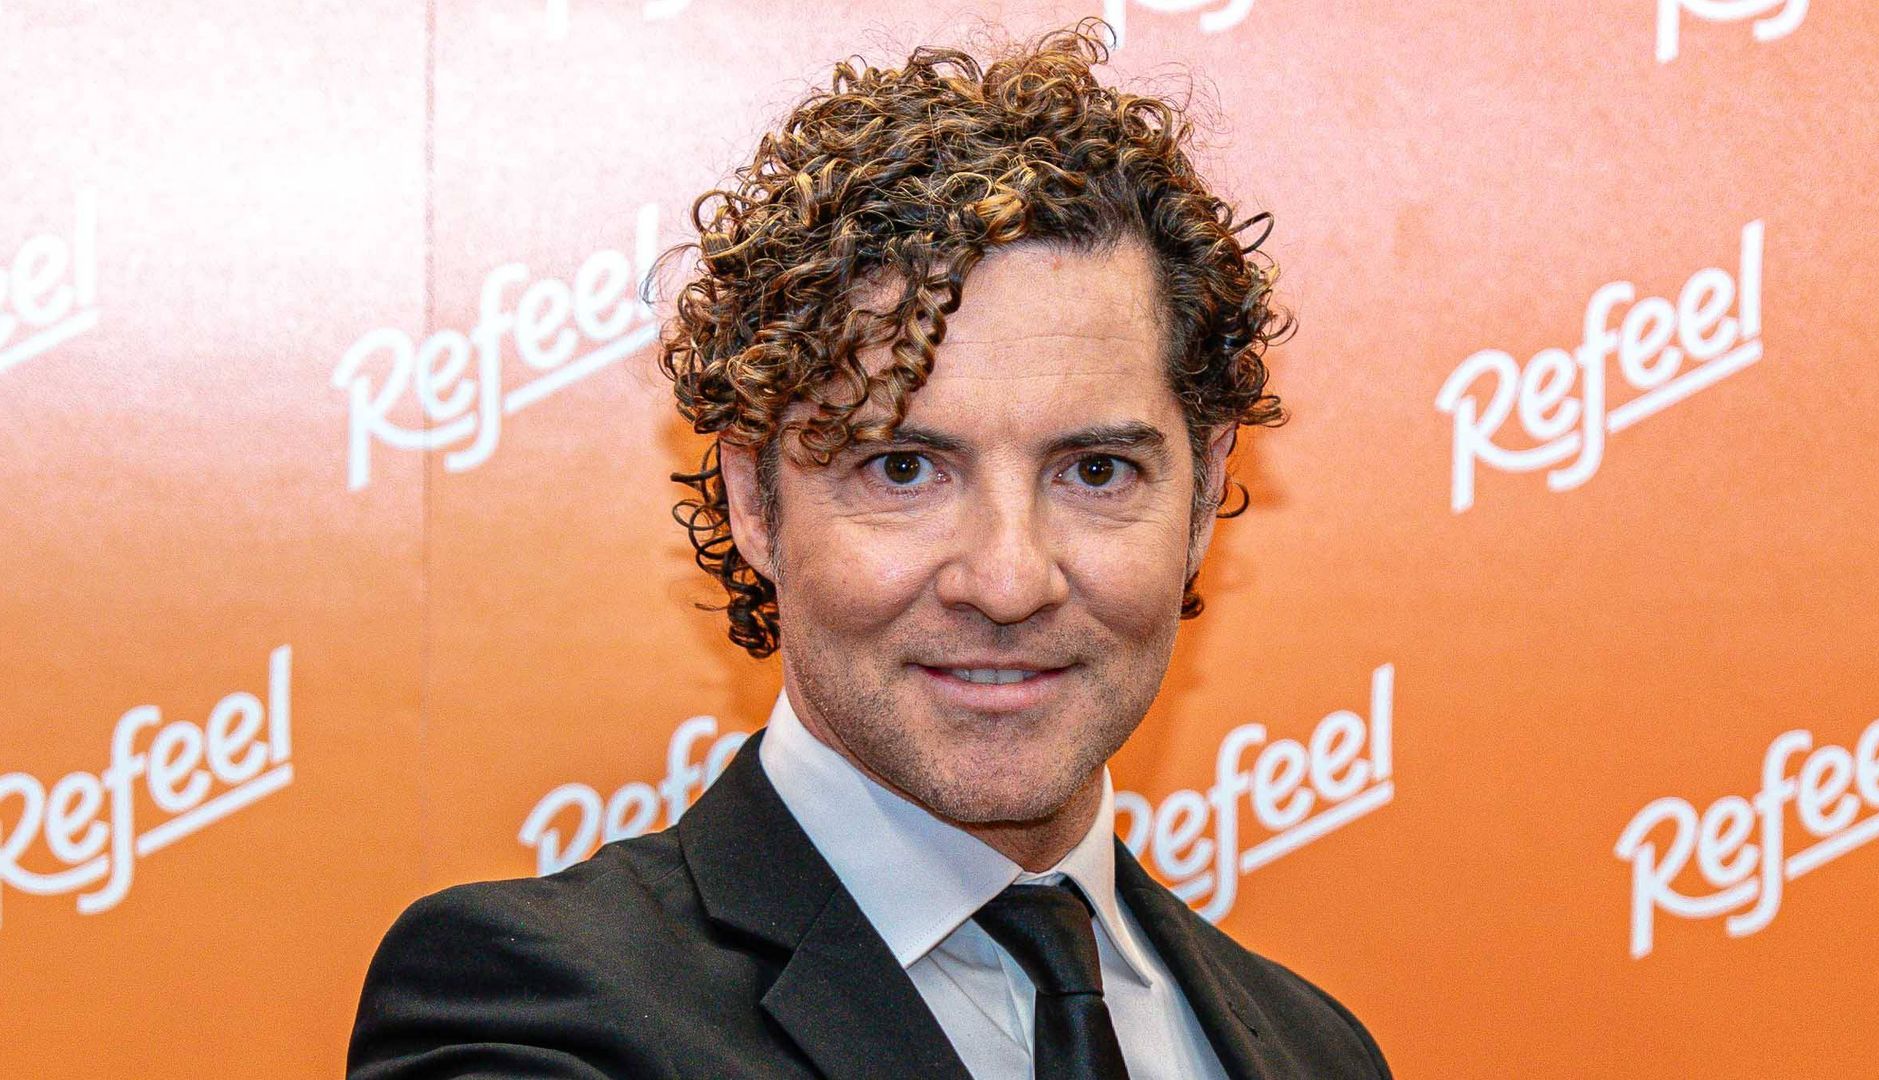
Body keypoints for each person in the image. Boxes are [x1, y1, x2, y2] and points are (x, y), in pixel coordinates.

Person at [349, 23, 1391, 1080]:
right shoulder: (529, 1007)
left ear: (1203, 494)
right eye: (904, 469)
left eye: (1094, 472)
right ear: (754, 500)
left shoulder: (1318, 1052)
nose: (1009, 581)